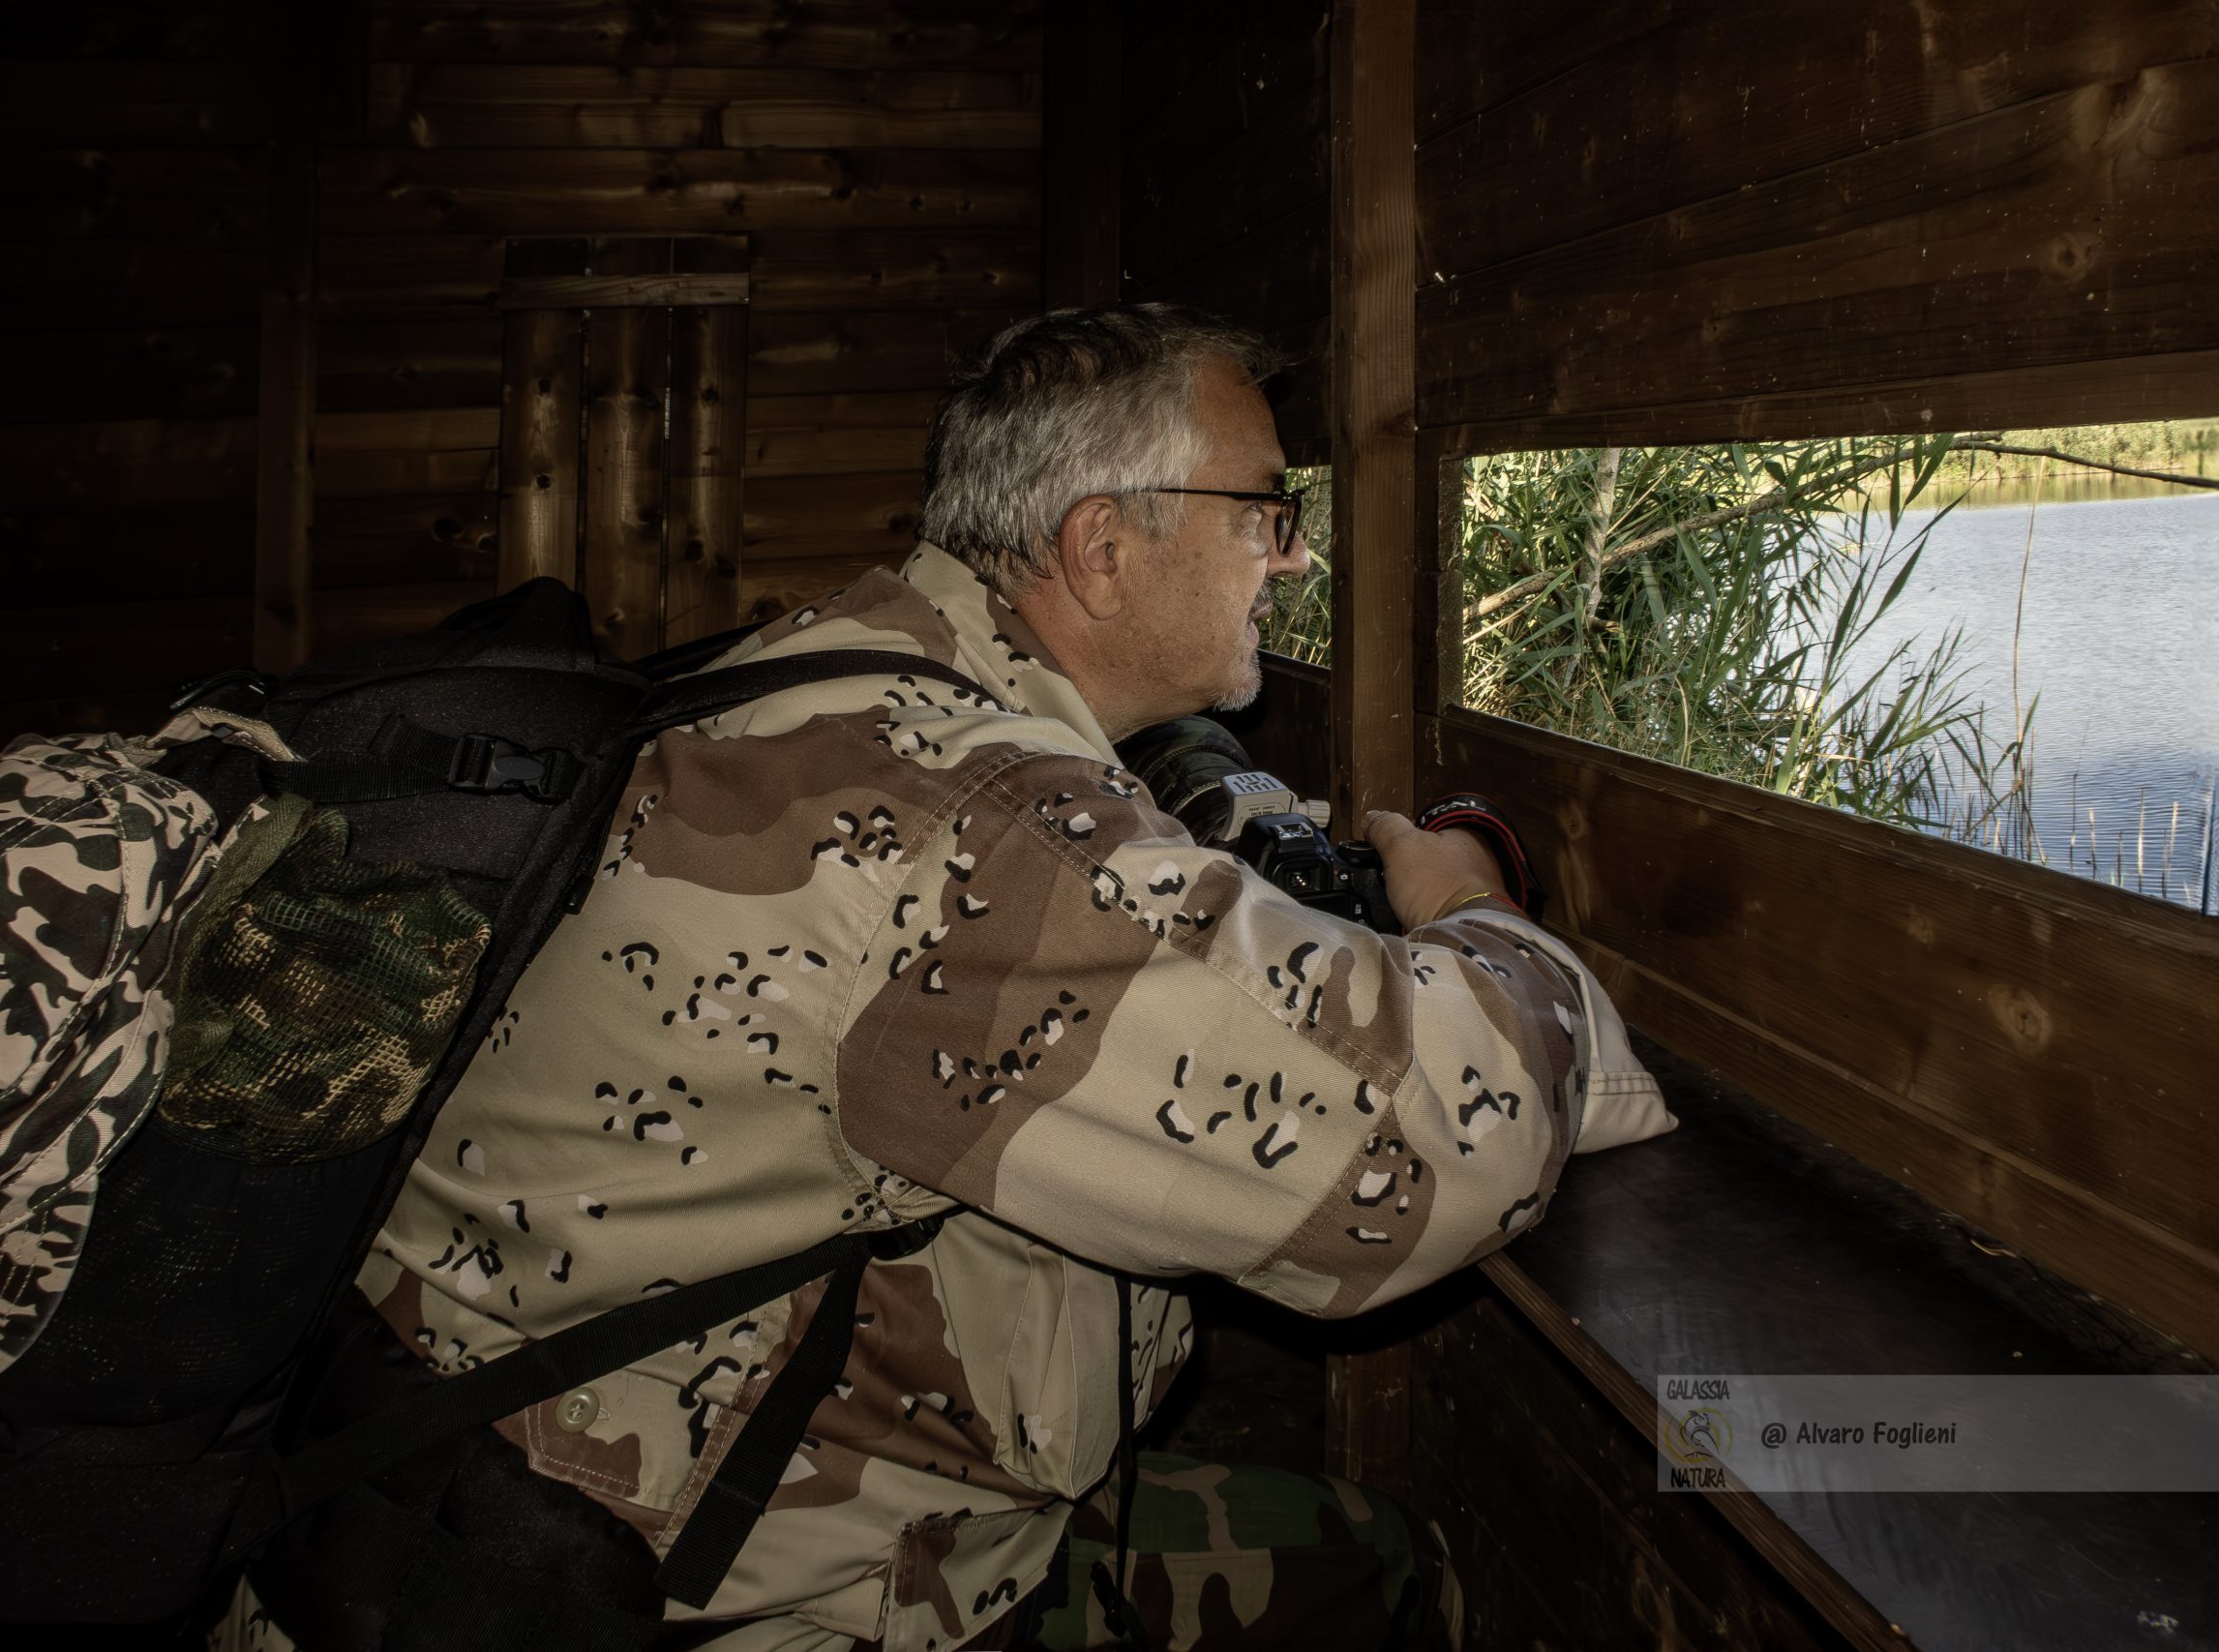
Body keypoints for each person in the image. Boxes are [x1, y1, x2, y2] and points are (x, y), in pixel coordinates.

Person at [218, 305, 1670, 1651]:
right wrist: (1473, 910)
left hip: (452, 1492)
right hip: (656, 1601)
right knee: (1372, 1570)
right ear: (1102, 547)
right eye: (1267, 515)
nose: (1289, 558)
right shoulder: (956, 822)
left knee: (1341, 1555)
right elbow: (1431, 1148)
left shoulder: (827, 669)